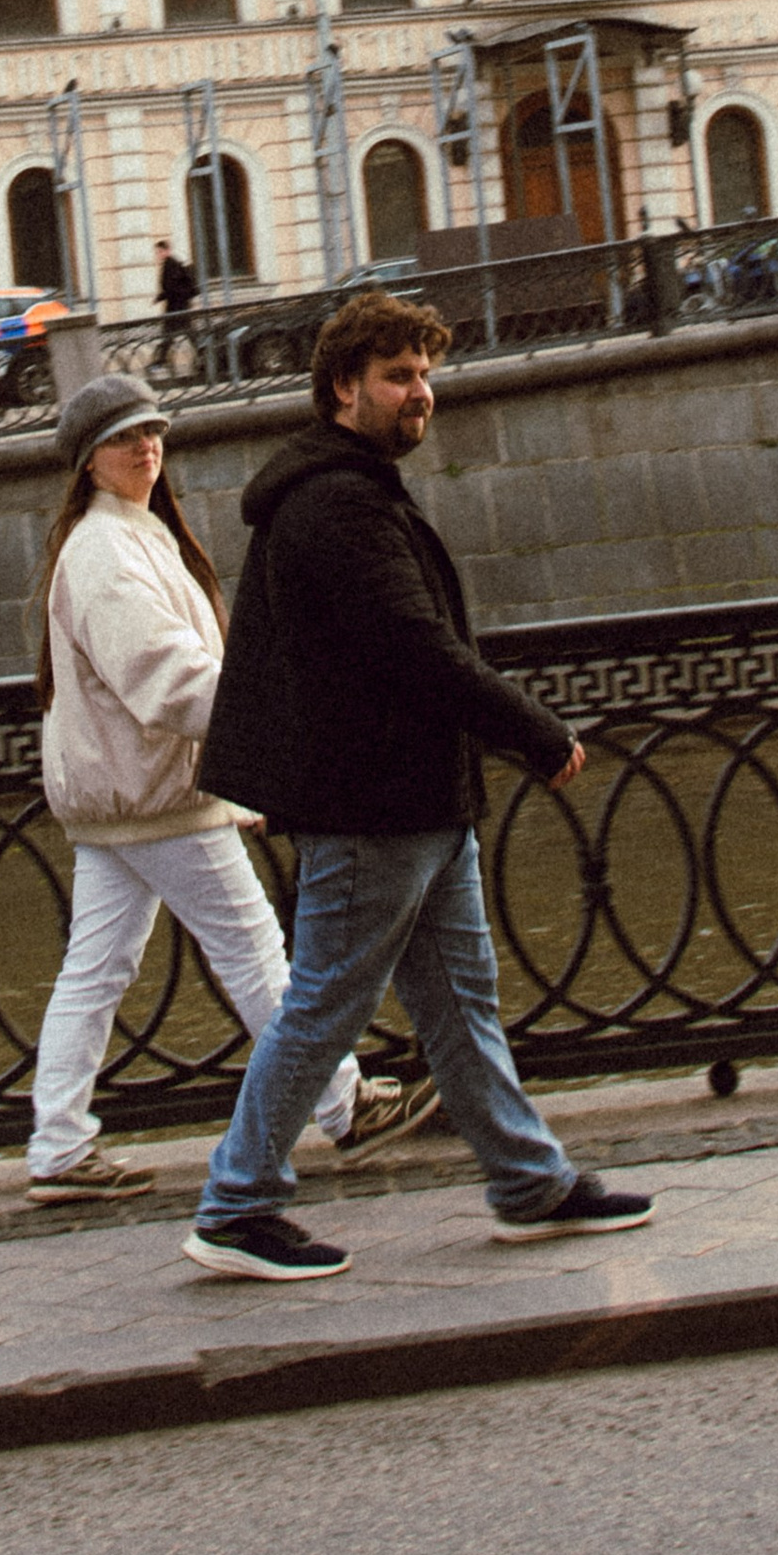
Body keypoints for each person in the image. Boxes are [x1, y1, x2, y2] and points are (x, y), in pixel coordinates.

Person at [183, 288, 656, 1279]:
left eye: (425, 375)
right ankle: (235, 1204)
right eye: (398, 376)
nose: (420, 394)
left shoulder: (348, 485)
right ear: (342, 386)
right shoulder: (334, 502)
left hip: (418, 799)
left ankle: (528, 1184)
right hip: (372, 804)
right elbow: (414, 645)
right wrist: (530, 728)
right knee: (323, 1004)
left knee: (458, 1002)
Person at [24, 369, 420, 1202]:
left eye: (153, 431)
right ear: (88, 463)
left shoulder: (127, 533)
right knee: (255, 953)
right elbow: (166, 679)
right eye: (125, 439)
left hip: (131, 797)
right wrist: (273, 714)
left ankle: (58, 1146)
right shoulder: (106, 551)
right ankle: (343, 1105)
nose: (146, 447)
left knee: (96, 971)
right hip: (161, 796)